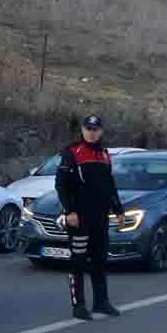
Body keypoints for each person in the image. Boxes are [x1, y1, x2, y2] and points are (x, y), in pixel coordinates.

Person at [55, 115, 125, 321]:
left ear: (101, 131)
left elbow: (109, 185)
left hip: (100, 218)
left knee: (99, 261)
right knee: (77, 261)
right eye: (88, 129)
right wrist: (69, 212)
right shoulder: (72, 152)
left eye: (95, 129)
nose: (91, 133)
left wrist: (118, 210)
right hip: (79, 218)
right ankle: (79, 305)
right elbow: (61, 185)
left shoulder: (104, 153)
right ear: (83, 130)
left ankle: (101, 302)